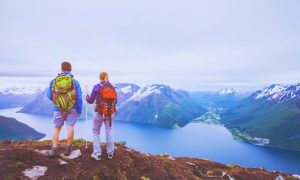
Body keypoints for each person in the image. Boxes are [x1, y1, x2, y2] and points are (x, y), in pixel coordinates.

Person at [47, 61, 82, 157]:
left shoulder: (53, 81)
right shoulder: (75, 82)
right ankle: (68, 149)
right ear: (71, 69)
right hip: (72, 108)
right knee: (70, 127)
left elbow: (49, 95)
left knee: (57, 128)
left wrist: (56, 102)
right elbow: (79, 97)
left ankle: (54, 149)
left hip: (58, 109)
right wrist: (79, 110)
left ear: (61, 69)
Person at [86, 72, 117, 160]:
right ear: (107, 77)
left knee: (96, 132)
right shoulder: (112, 87)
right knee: (109, 131)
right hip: (110, 114)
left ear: (100, 78)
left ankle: (97, 153)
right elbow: (116, 101)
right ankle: (110, 153)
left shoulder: (96, 86)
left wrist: (86, 97)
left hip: (99, 113)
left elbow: (90, 100)